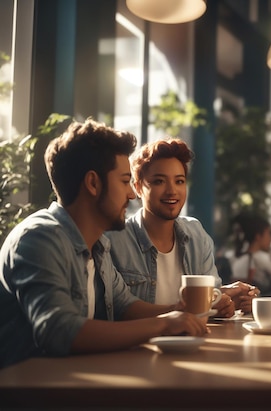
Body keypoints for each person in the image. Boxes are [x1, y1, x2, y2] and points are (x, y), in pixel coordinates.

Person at [0, 120, 207, 368]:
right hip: (25, 395)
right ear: (93, 183)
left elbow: (125, 305)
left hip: (71, 382)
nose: (132, 194)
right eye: (124, 181)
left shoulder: (97, 245)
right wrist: (163, 324)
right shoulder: (39, 239)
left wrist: (180, 312)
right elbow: (58, 330)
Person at [106, 138, 258, 318]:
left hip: (192, 341)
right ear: (138, 187)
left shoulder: (195, 233)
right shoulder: (114, 239)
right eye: (159, 181)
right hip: (139, 344)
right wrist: (193, 309)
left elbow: (210, 298)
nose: (172, 191)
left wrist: (227, 302)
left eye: (179, 181)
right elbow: (118, 310)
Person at [230, 213, 271, 296]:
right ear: (258, 236)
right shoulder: (261, 258)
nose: (270, 238)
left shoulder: (237, 258)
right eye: (268, 233)